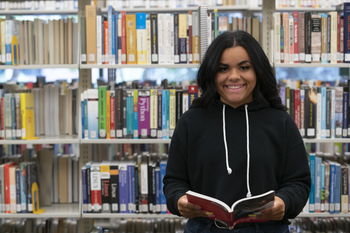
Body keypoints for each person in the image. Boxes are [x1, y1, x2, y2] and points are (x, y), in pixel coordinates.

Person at [163, 30, 311, 233]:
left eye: (244, 67)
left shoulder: (281, 122)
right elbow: (174, 181)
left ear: (257, 71)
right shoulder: (191, 121)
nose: (233, 76)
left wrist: (284, 203)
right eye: (223, 69)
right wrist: (179, 200)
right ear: (212, 74)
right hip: (204, 229)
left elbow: (298, 182)